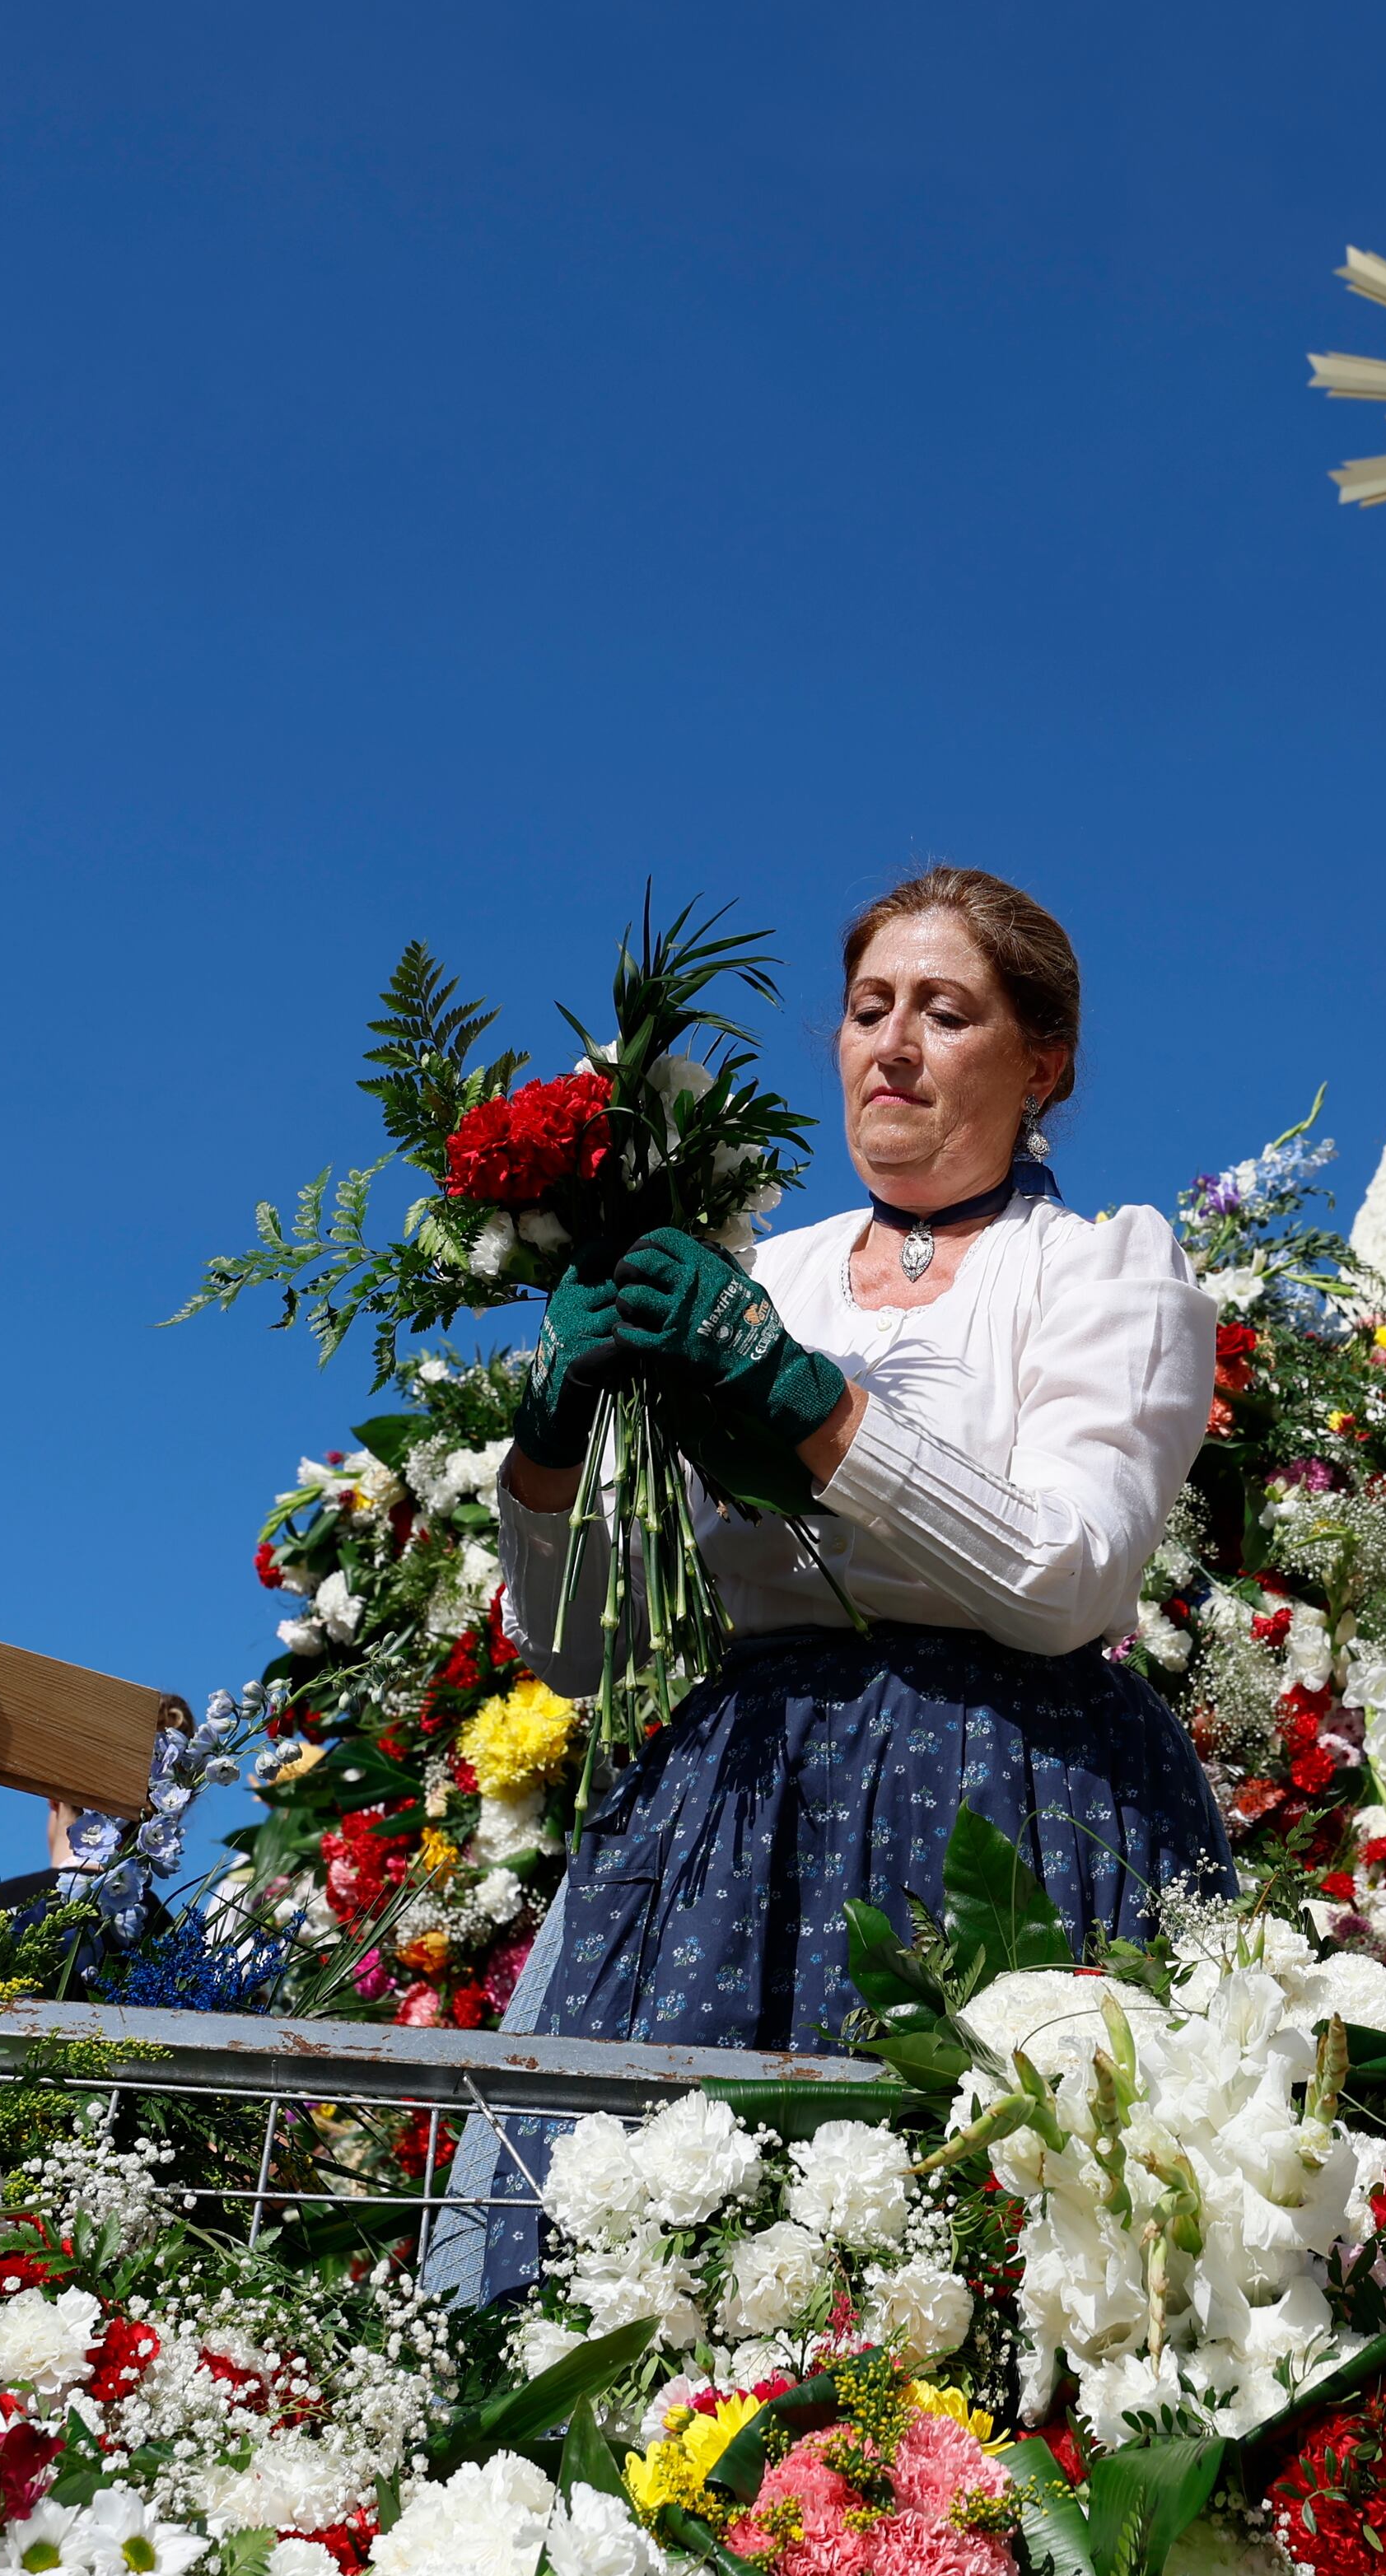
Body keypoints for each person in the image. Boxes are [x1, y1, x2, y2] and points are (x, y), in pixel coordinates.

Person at [493, 865, 1234, 2056]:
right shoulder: (755, 1276)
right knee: (673, 2208)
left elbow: (1067, 1576)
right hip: (736, 1817)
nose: (893, 1044)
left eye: (946, 1013)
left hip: (1003, 1798)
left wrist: (805, 1402)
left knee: (980, 2206)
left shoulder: (1103, 1270)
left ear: (1042, 1065)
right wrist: (551, 1434)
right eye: (869, 1006)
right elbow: (583, 1651)